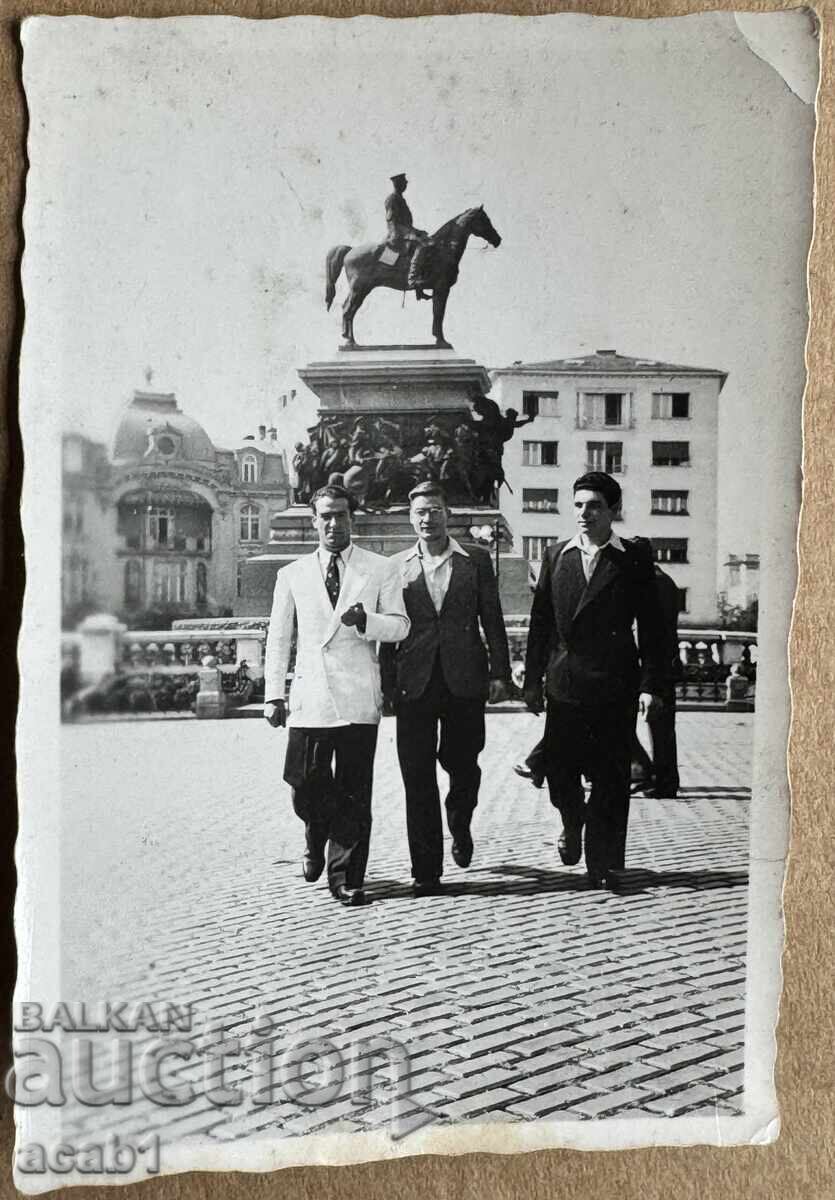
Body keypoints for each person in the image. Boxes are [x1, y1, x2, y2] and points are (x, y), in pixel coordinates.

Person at [263, 485, 410, 907]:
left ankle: (346, 877)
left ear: (353, 518)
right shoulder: (291, 574)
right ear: (313, 520)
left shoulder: (379, 569)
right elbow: (279, 639)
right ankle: (315, 833)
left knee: (353, 791)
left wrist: (368, 621)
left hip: (358, 695)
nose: (333, 524)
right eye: (325, 516)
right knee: (303, 782)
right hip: (311, 697)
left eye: (341, 515)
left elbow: (401, 626)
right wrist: (274, 694)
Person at [523, 472, 665, 889]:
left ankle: (602, 862)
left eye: (594, 506)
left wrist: (651, 684)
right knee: (561, 773)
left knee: (610, 775)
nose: (584, 514)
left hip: (614, 682)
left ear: (612, 511)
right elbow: (541, 623)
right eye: (579, 505)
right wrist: (532, 681)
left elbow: (654, 627)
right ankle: (571, 820)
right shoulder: (555, 555)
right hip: (564, 684)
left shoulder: (632, 559)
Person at [381, 481, 512, 895]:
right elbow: (388, 632)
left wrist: (500, 674)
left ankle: (459, 818)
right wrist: (387, 687)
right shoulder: (395, 566)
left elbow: (492, 619)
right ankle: (426, 870)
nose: (427, 518)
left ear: (447, 515)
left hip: (464, 680)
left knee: (463, 765)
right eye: (420, 512)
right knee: (416, 776)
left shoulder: (474, 561)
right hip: (414, 683)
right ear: (410, 518)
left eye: (435, 510)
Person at [630, 565, 682, 797]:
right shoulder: (665, 581)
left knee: (658, 727)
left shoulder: (654, 584)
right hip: (665, 664)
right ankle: (659, 777)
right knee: (661, 728)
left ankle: (658, 778)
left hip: (656, 667)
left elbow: (649, 632)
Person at [384, 173, 431, 299]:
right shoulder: (392, 199)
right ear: (397, 183)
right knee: (422, 246)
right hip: (396, 236)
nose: (406, 184)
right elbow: (393, 223)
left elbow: (406, 224)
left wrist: (417, 231)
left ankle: (419, 291)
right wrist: (412, 235)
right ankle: (413, 280)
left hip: (404, 233)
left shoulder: (400, 199)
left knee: (428, 240)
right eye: (404, 182)